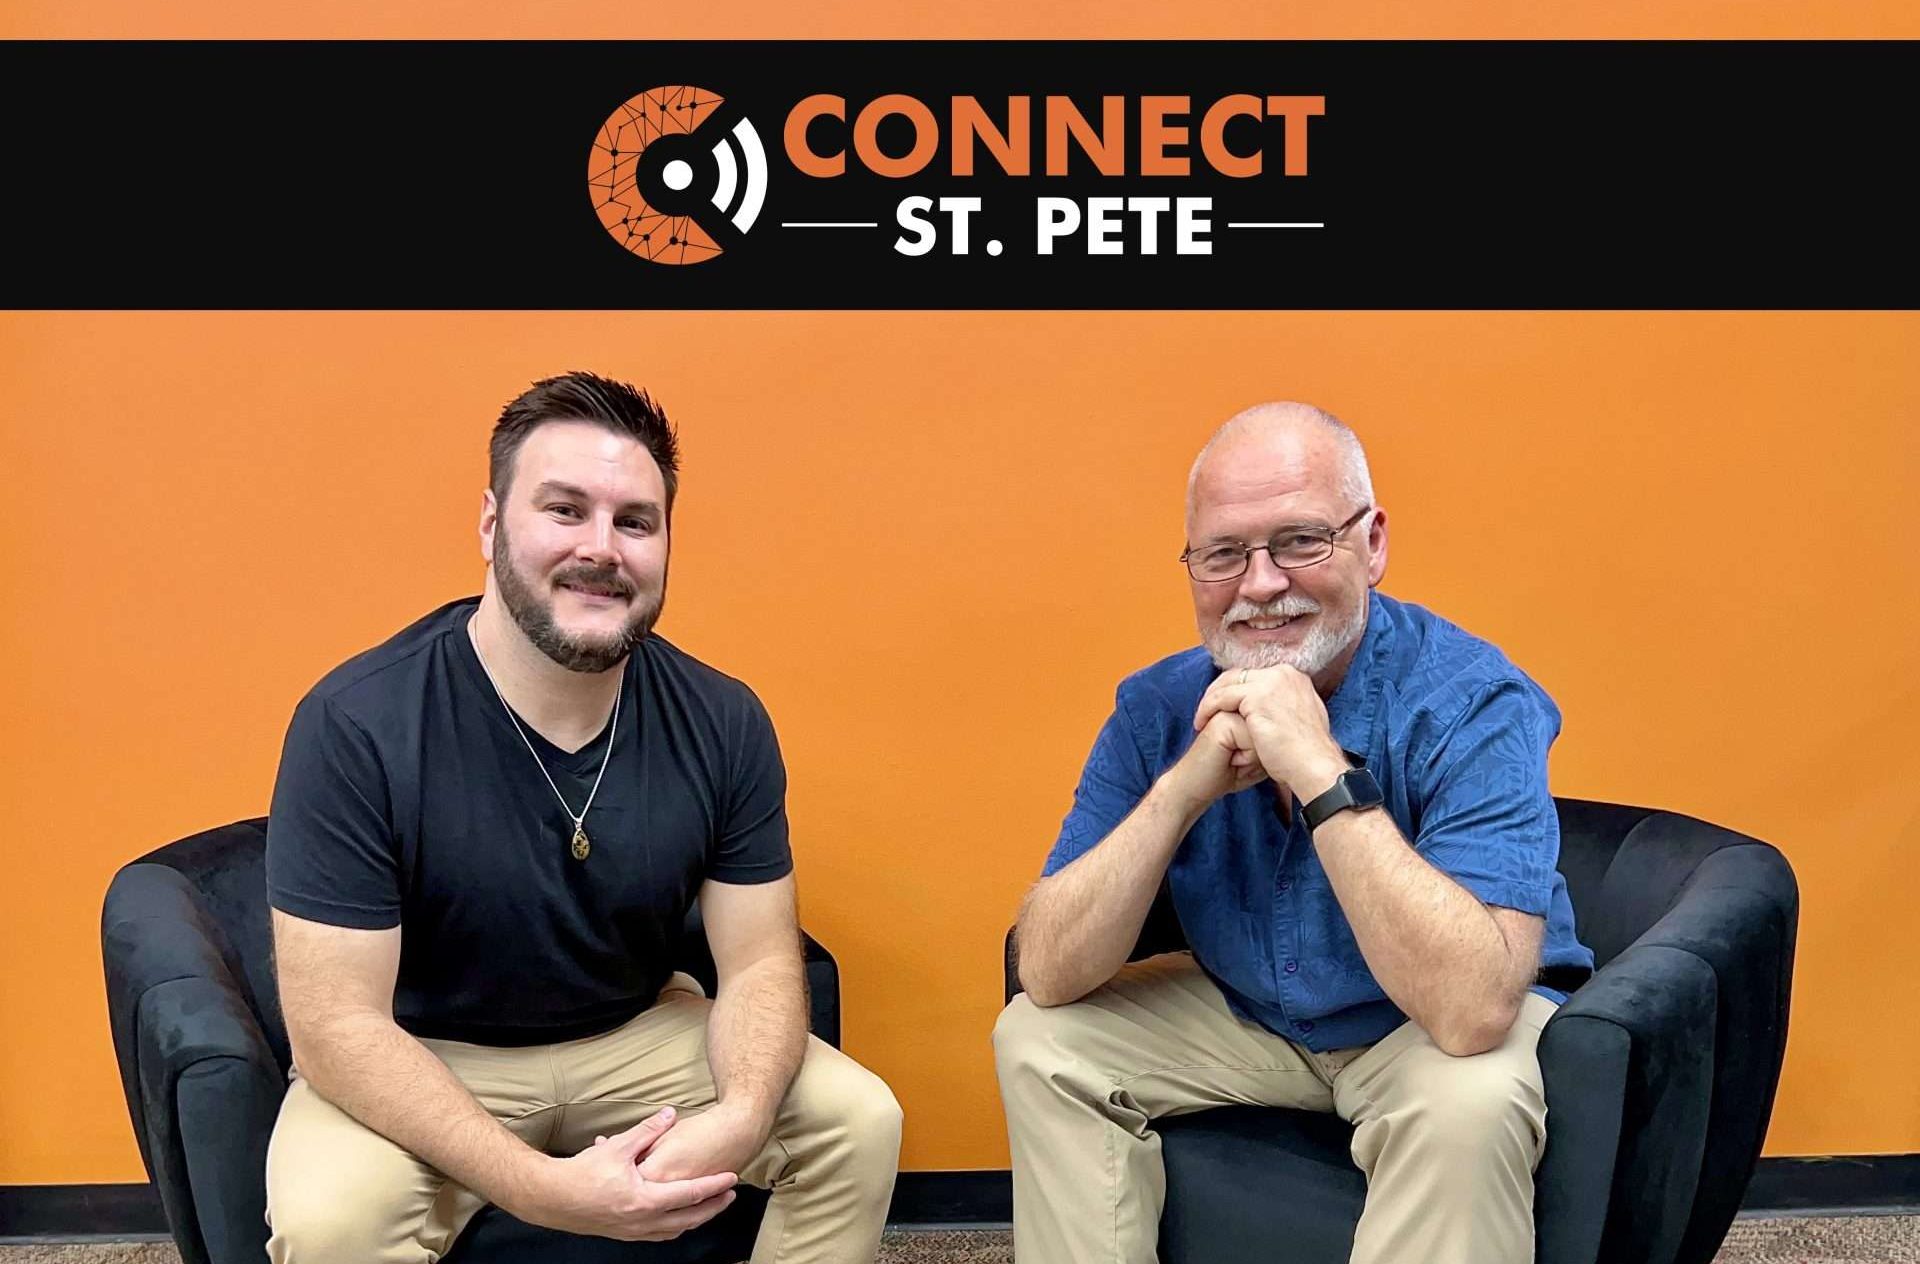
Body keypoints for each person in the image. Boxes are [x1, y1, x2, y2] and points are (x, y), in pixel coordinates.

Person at [262, 371, 902, 1263]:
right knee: (332, 1222)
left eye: (634, 521)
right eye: (565, 511)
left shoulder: (724, 719)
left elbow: (757, 960)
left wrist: (746, 1116)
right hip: (429, 1052)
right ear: (491, 525)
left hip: (637, 1032)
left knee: (858, 1122)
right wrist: (542, 1188)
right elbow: (338, 1027)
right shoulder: (356, 722)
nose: (602, 548)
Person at [994, 401, 1594, 1264]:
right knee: (1040, 1040)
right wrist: (1182, 790)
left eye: (1301, 541)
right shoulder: (1157, 705)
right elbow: (1045, 970)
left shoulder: (1475, 700)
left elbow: (1472, 1008)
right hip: (1253, 1013)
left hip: (1426, 1022)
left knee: (1471, 1099)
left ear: (1373, 542)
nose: (1262, 583)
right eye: (1225, 554)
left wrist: (1319, 771)